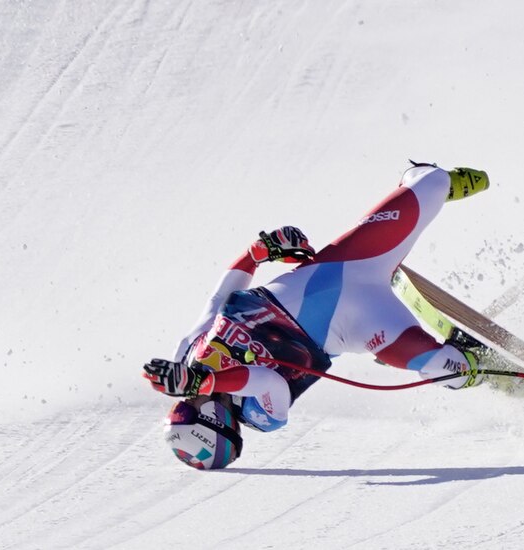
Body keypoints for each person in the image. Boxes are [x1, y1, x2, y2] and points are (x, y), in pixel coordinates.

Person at [142, 163, 491, 469]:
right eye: (185, 413)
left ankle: (422, 180)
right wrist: (205, 383)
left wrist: (255, 255)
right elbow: (268, 382)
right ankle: (465, 371)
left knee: (431, 181)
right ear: (213, 423)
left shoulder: (186, 358)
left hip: (337, 268)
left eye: (177, 409)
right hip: (359, 323)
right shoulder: (262, 416)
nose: (181, 404)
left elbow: (219, 300)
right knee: (452, 366)